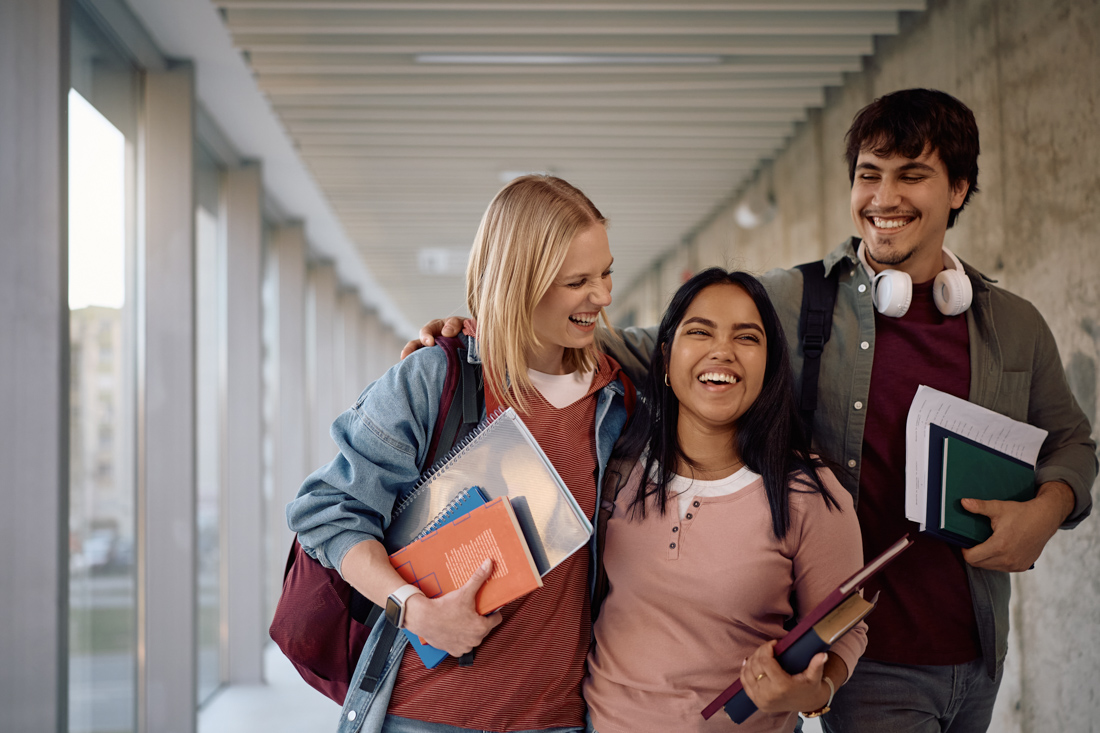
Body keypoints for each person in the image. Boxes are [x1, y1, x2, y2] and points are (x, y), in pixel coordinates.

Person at [405, 90, 1097, 732]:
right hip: (868, 654)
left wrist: (1050, 505)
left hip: (976, 645)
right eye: (869, 173)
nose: (883, 196)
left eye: (910, 174)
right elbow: (646, 347)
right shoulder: (796, 302)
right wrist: (489, 329)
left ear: (959, 188)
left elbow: (1071, 443)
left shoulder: (1015, 326)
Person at [288, 174, 634, 733]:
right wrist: (415, 611)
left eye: (606, 272)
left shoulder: (615, 396)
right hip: (426, 715)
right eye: (579, 282)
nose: (604, 296)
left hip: (560, 719)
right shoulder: (434, 378)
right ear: (520, 282)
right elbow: (327, 512)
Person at [583, 268, 866, 733]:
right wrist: (459, 339)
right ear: (666, 358)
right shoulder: (616, 466)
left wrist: (815, 693)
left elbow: (845, 630)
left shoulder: (808, 495)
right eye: (700, 332)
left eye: (747, 338)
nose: (723, 351)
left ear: (769, 366)